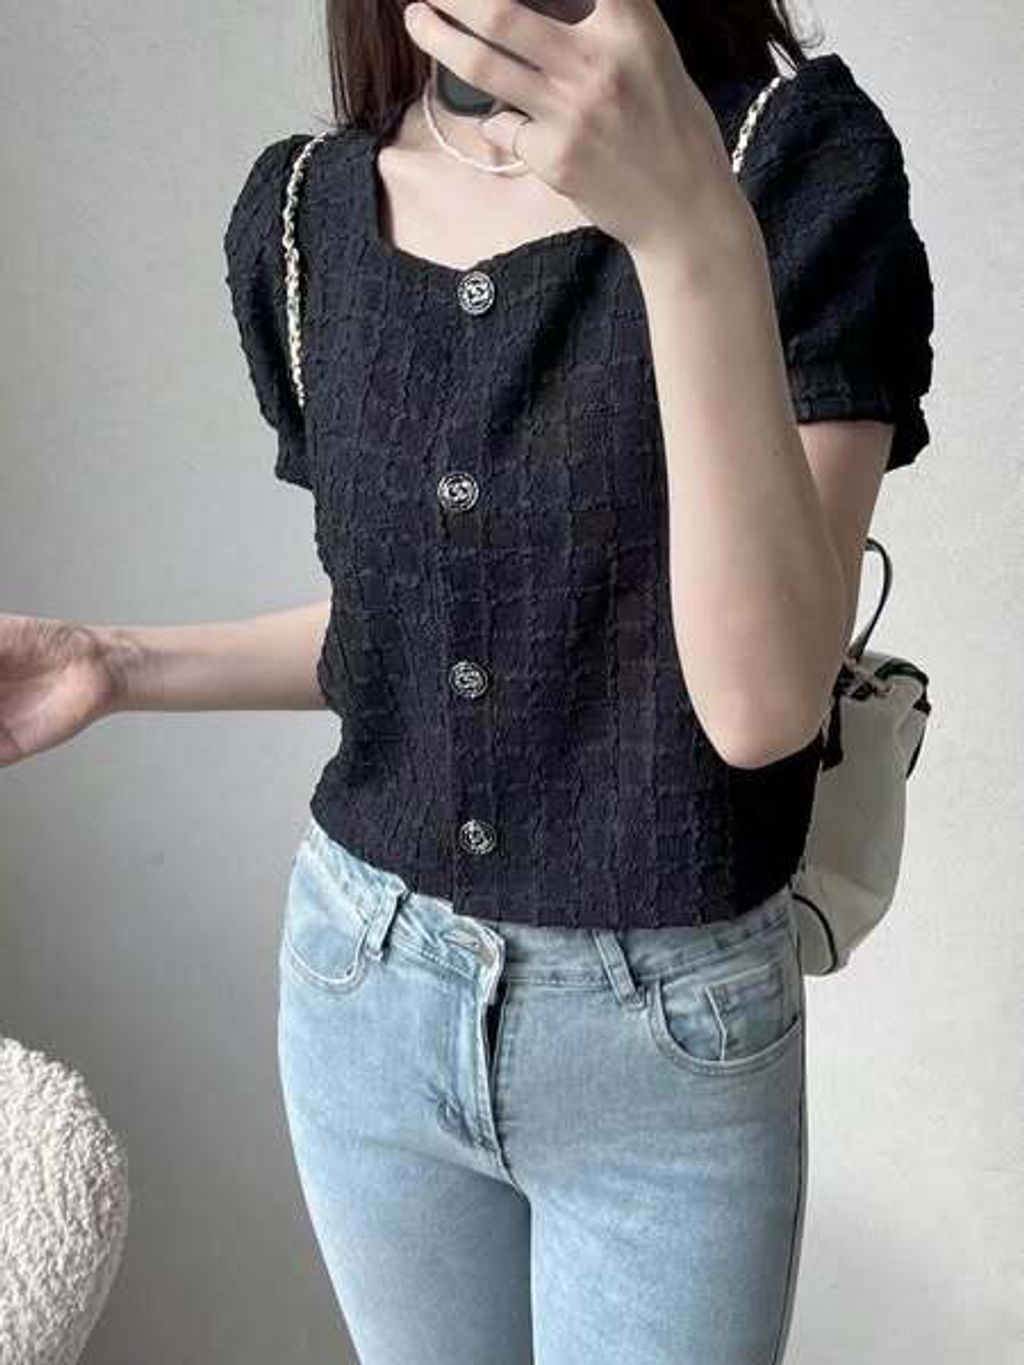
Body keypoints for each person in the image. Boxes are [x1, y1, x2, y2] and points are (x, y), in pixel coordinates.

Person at [0, 1, 935, 1361]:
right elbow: (440, 632)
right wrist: (114, 663)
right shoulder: (309, 215)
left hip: (664, 1039)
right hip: (363, 984)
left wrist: (688, 230)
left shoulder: (792, 167)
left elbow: (761, 703)